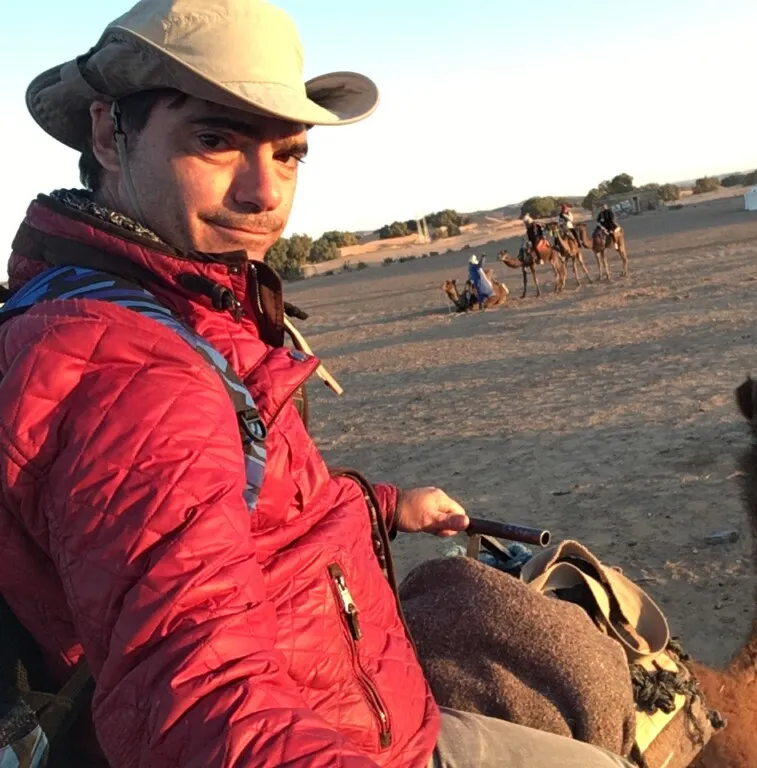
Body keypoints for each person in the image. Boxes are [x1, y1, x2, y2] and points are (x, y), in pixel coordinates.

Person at [0, 1, 635, 767]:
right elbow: (200, 703)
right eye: (215, 141)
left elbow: (232, 502)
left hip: (361, 705)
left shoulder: (170, 306)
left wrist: (384, 504)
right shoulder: (130, 371)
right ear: (109, 134)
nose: (264, 192)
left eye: (288, 155)